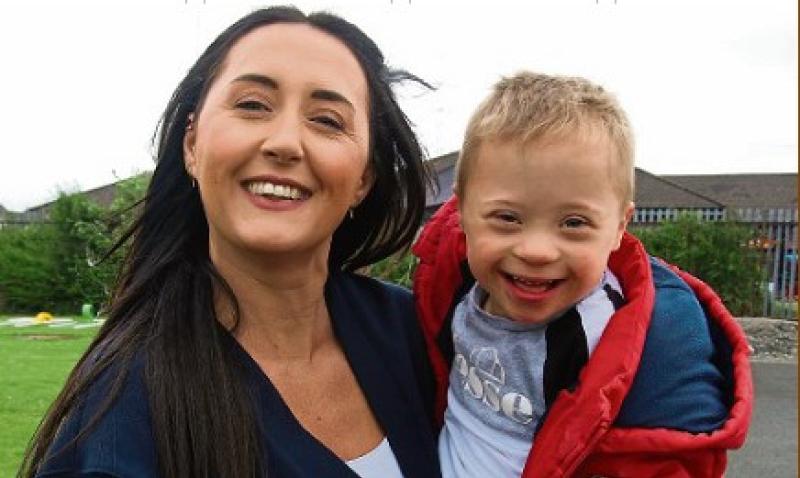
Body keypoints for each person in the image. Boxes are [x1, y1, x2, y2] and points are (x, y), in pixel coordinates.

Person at [21, 6, 441, 478]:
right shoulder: (126, 403)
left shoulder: (416, 332)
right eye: (253, 105)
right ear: (192, 145)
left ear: (364, 177)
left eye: (326, 119)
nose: (285, 142)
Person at [412, 72, 753, 478]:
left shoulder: (600, 334)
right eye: (507, 218)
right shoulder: (456, 285)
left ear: (619, 228)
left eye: (573, 223)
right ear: (463, 213)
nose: (536, 250)